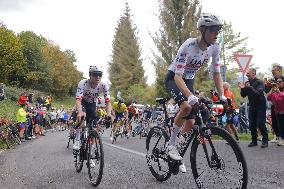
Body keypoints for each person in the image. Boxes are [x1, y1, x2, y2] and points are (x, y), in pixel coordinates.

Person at [164, 13, 227, 173]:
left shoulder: (215, 47)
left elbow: (216, 73)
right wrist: (190, 96)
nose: (216, 34)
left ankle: (177, 148)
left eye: (218, 31)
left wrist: (222, 95)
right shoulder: (188, 46)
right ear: (203, 30)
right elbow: (178, 76)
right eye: (213, 30)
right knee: (185, 107)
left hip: (189, 80)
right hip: (174, 78)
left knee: (191, 122)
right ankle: (170, 145)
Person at [75, 65, 112, 151]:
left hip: (92, 104)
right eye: (95, 74)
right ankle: (77, 139)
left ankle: (90, 153)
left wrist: (109, 114)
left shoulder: (104, 85)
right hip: (83, 102)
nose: (98, 77)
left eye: (100, 74)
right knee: (82, 116)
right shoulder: (83, 83)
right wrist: (80, 111)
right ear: (90, 75)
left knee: (94, 129)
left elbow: (108, 102)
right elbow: (78, 100)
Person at [238, 68, 268, 148]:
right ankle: (254, 141)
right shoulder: (248, 83)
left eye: (248, 73)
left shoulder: (259, 82)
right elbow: (243, 95)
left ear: (254, 73)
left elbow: (258, 94)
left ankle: (265, 140)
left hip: (260, 105)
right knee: (251, 124)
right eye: (246, 73)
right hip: (252, 105)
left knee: (261, 123)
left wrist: (250, 87)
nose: (247, 75)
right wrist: (242, 88)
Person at [264, 65, 282, 143]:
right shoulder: (271, 80)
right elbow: (266, 91)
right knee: (274, 120)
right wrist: (267, 85)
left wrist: (277, 86)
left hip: (282, 103)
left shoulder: (282, 79)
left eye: (274, 70)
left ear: (279, 71)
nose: (273, 71)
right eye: (272, 70)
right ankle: (277, 136)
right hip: (274, 103)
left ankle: (281, 137)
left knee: (281, 121)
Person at [267, 75, 284, 146]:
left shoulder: (280, 92)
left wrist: (278, 92)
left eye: (280, 82)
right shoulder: (276, 91)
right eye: (277, 82)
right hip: (278, 112)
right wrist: (272, 89)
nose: (278, 83)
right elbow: (268, 98)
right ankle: (282, 139)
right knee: (280, 126)